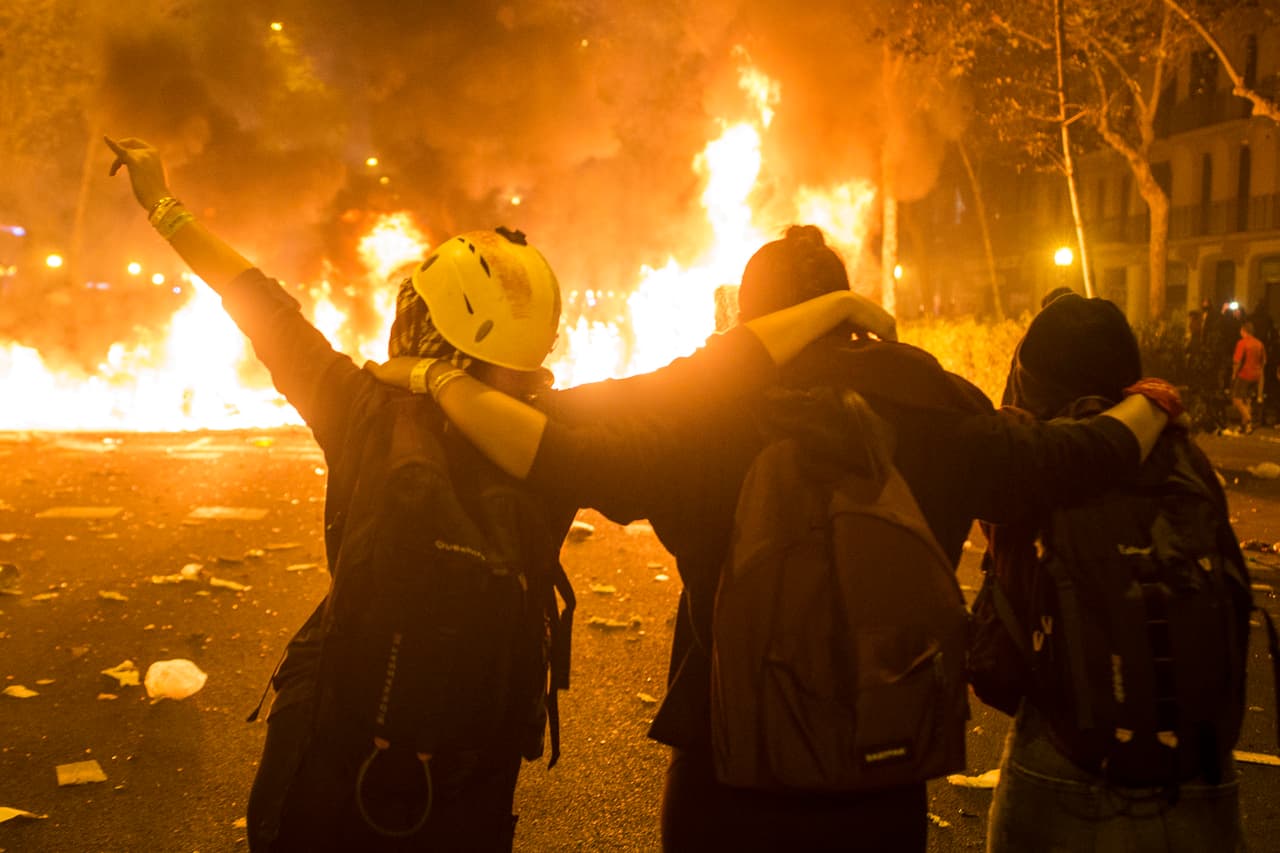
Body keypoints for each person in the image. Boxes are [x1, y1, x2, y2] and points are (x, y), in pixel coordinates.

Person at [103, 139, 886, 852]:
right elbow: (713, 370)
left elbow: (259, 304)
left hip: (336, 759)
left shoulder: (364, 407)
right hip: (470, 783)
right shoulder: (554, 434)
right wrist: (839, 307)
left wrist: (161, 203)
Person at [372, 225, 1175, 851]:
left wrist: (434, 377)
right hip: (882, 778)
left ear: (754, 321)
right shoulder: (942, 408)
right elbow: (1074, 458)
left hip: (727, 781)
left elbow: (566, 441)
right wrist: (1150, 404)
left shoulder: (706, 419)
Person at [984, 294, 1244, 853]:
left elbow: (999, 644)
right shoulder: (1183, 456)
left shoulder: (1037, 460)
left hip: (1066, 757)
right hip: (1198, 767)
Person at [1231, 319, 1266, 434]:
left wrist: (1234, 374)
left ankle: (1249, 420)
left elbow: (1238, 361)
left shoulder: (1242, 343)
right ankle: (1244, 425)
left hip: (1245, 374)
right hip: (1256, 375)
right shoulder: (1259, 343)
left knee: (1237, 399)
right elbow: (1263, 362)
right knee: (1247, 400)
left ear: (1244, 331)